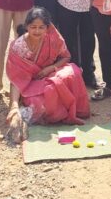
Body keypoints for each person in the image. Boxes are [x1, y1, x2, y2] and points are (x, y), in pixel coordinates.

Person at [5, 8, 90, 142]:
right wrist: (14, 105)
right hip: (30, 84)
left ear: (47, 28)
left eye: (41, 27)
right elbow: (16, 80)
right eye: (33, 27)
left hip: (49, 74)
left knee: (73, 71)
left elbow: (66, 57)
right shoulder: (19, 46)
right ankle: (32, 112)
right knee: (42, 100)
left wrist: (50, 68)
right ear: (27, 27)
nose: (37, 31)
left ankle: (65, 110)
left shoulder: (52, 37)